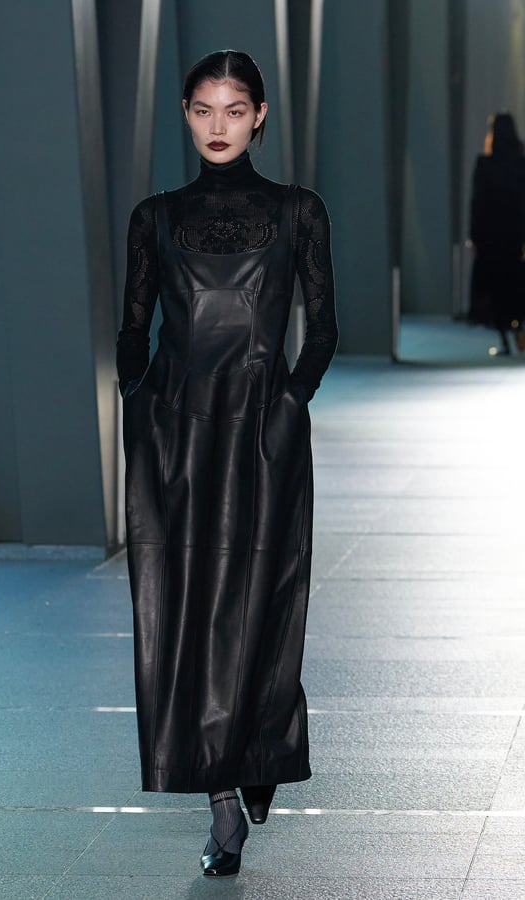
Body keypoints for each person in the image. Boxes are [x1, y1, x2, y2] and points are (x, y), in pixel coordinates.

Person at [116, 49, 338, 877]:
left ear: (260, 115)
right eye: (204, 109)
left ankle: (255, 752)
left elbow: (324, 326)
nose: (219, 125)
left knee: (263, 598)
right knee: (182, 607)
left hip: (264, 431)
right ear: (184, 113)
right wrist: (140, 397)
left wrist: (290, 402)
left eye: (235, 109)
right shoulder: (155, 217)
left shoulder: (298, 211)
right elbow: (132, 326)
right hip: (176, 434)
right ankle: (220, 797)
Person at [469, 112, 525, 354]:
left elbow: (477, 203)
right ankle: (518, 330)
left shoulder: (485, 164)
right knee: (516, 282)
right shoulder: (520, 163)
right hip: (515, 234)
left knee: (496, 287)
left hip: (491, 236)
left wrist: (474, 236)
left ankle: (504, 338)